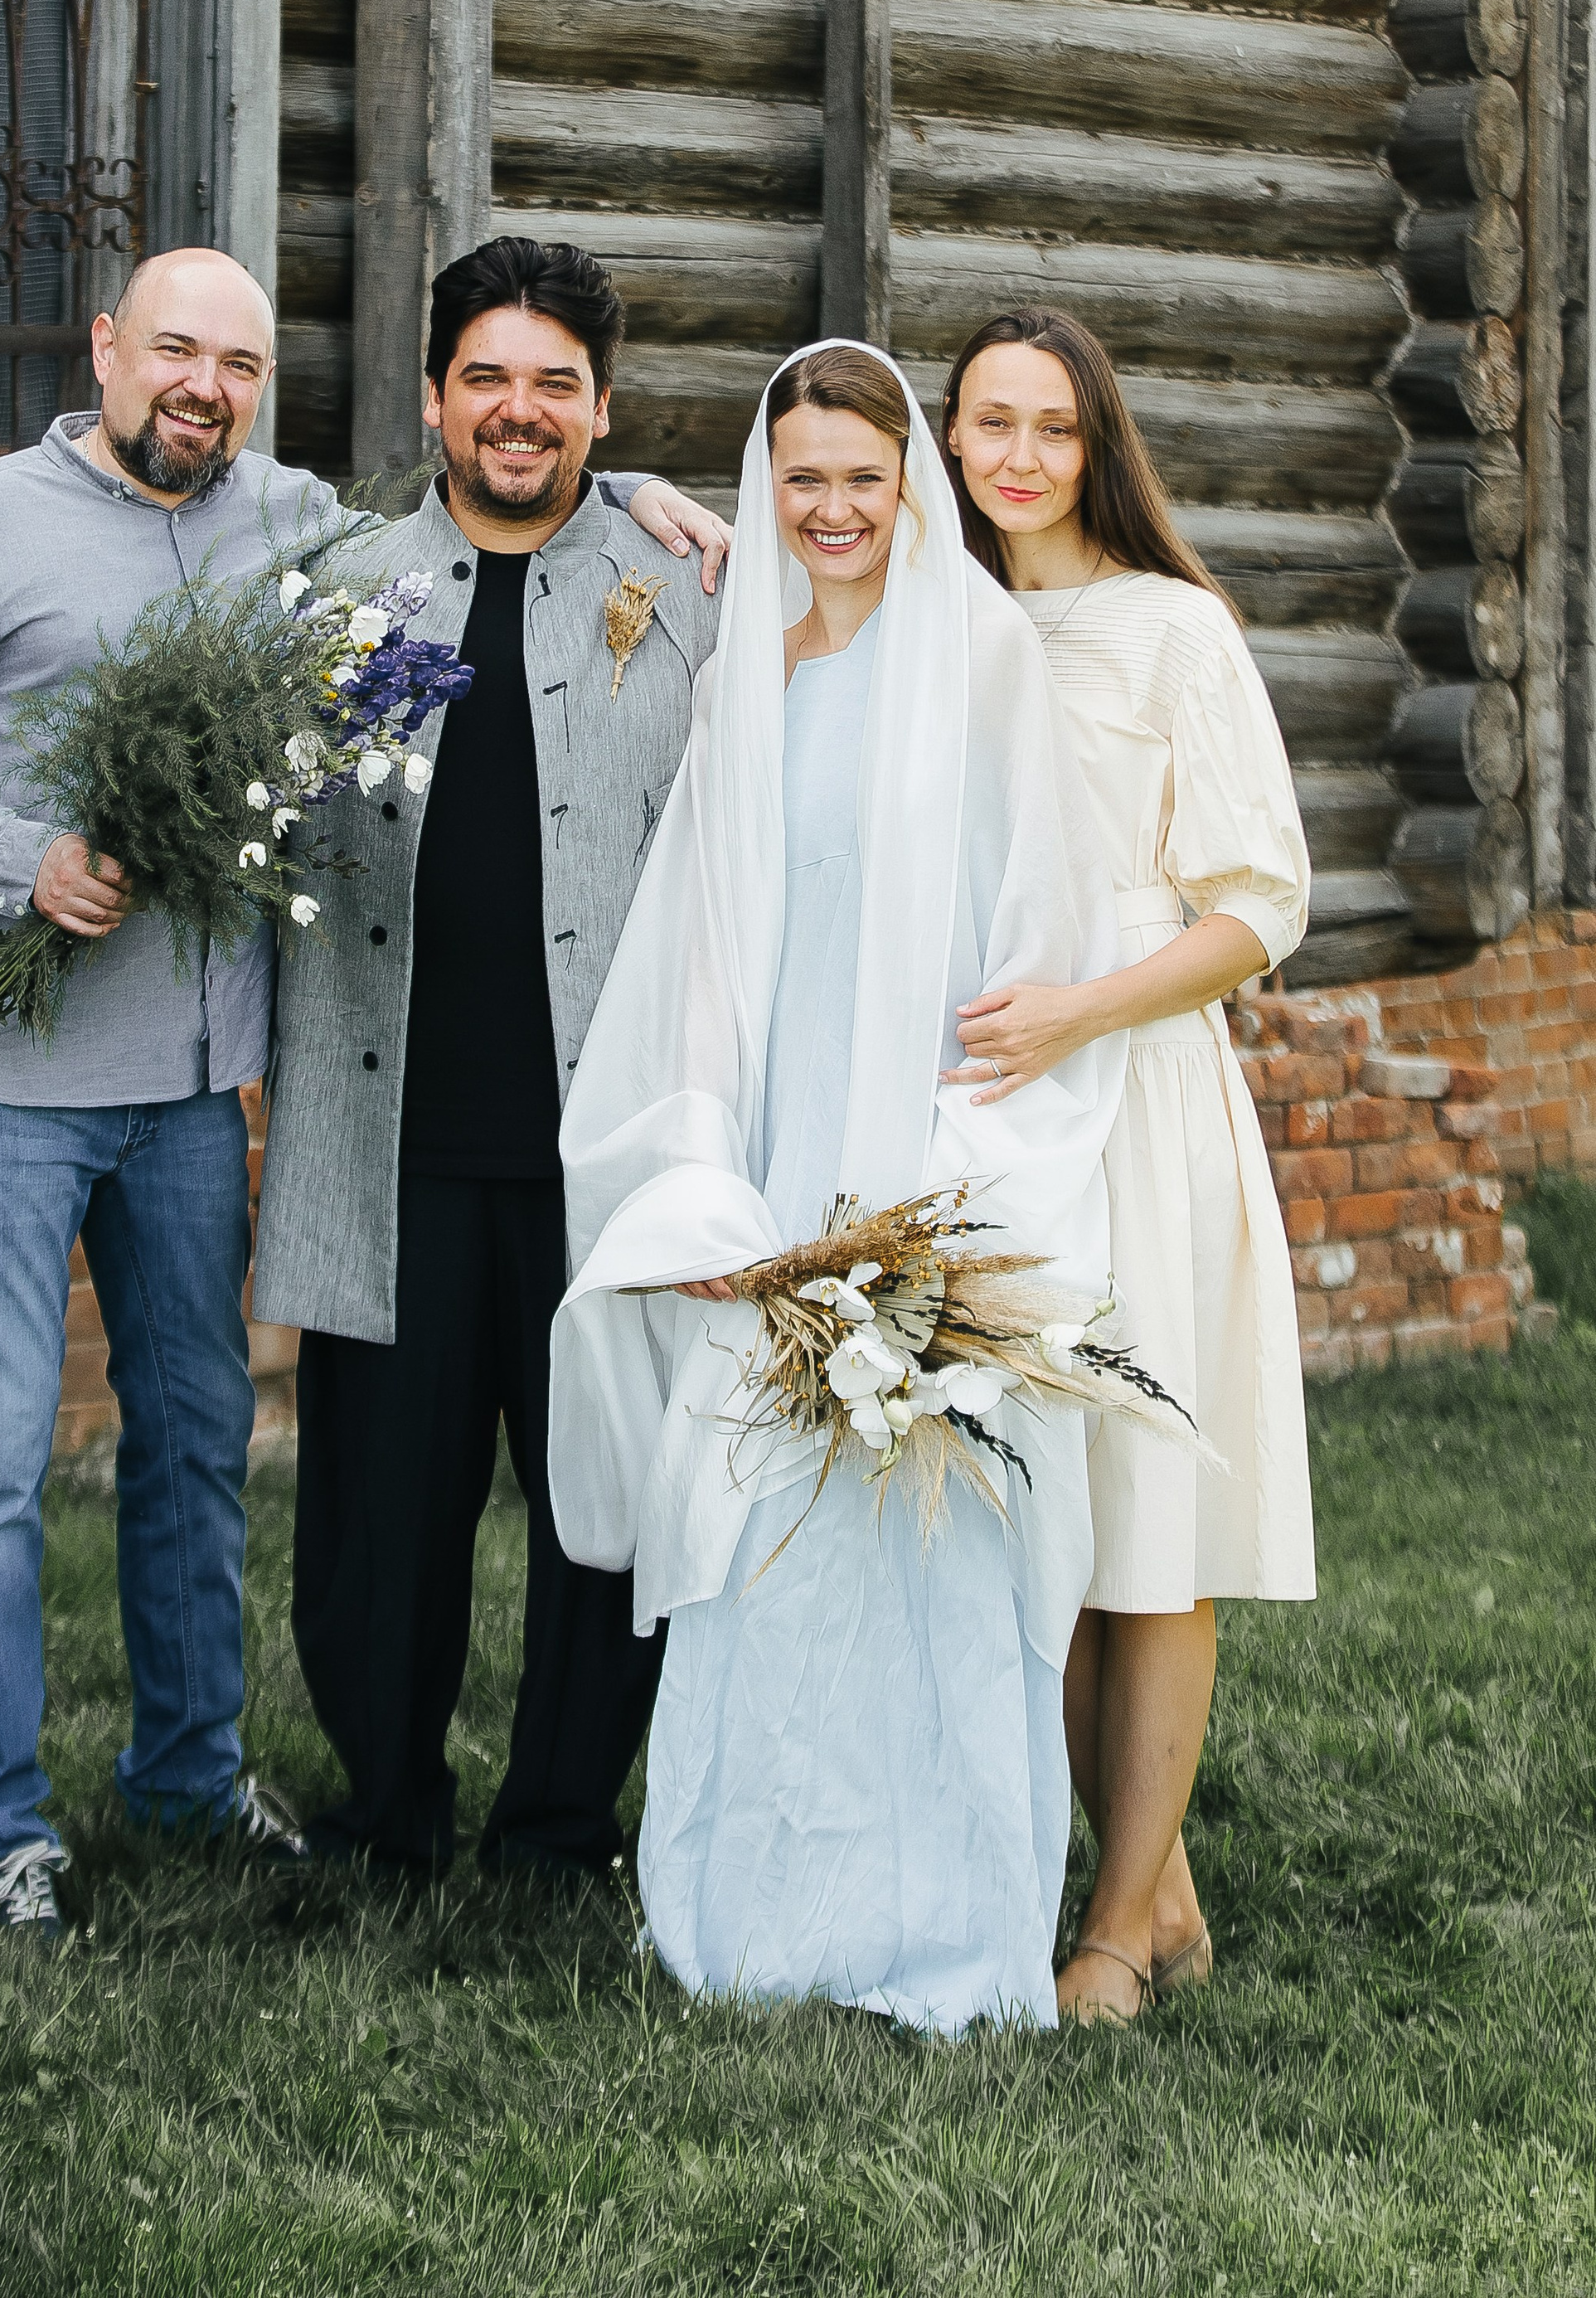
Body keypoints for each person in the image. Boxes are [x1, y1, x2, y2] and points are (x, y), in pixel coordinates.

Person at [0, 242, 725, 1946]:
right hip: (82, 1089)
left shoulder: (316, 534)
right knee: (33, 1468)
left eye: (237, 365)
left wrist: (644, 499)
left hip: (245, 1097)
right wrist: (27, 861)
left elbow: (528, 503)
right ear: (107, 346)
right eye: (176, 350)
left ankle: (240, 1782)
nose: (203, 387)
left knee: (227, 1452)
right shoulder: (132, 550)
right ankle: (41, 1828)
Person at [548, 342, 1126, 2029]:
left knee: (935, 1533)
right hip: (780, 1172)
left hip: (932, 1164)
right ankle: (757, 1921)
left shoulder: (984, 657)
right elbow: (705, 942)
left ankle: (948, 1926)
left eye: (862, 478)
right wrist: (702, 1179)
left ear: (910, 481)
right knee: (772, 1531)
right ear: (766, 481)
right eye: (801, 478)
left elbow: (1042, 930)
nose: (831, 508)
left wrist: (958, 1190)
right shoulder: (749, 671)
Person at [251, 238, 725, 1884]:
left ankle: (558, 1827)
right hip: (386, 1137)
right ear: (434, 396)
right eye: (487, 379)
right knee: (376, 1518)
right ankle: (385, 1813)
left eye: (553, 385)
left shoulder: (687, 594)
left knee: (606, 1505)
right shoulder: (333, 590)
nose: (517, 412)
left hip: (607, 1145)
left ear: (602, 407)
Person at [939, 307, 1316, 2024]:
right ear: (949, 442)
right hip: (988, 1115)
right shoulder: (937, 623)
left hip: (1138, 1097)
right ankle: (1152, 1890)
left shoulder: (1174, 630)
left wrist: (1081, 1012)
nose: (1017, 457)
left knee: (1148, 1521)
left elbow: (1259, 906)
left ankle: (1110, 1934)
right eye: (988, 424)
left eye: (1053, 427)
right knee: (1043, 1520)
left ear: (1096, 445)